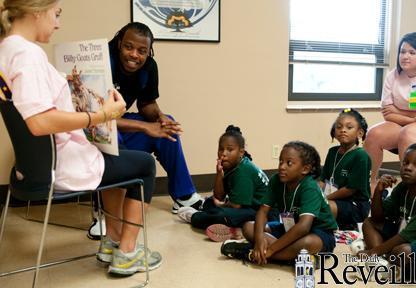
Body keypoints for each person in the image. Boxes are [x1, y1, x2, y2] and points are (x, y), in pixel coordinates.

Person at [0, 0, 162, 276]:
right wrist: (101, 116)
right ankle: (126, 253)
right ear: (37, 11)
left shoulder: (7, 50)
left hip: (31, 170)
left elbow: (36, 100)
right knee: (144, 165)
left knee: (115, 158)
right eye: (56, 13)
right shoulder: (29, 55)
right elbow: (40, 122)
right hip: (62, 166)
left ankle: (111, 242)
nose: (58, 23)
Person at [108, 22, 202, 213]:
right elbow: (98, 118)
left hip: (120, 126)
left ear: (149, 51)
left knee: (167, 126)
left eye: (142, 50)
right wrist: (144, 127)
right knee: (113, 134)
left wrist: (160, 117)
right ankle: (106, 213)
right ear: (119, 43)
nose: (134, 55)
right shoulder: (103, 60)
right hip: (94, 133)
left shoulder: (149, 67)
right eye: (129, 47)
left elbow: (146, 104)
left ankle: (184, 196)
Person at [220, 141, 337, 265]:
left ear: (305, 169)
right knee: (248, 227)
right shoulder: (276, 180)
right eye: (281, 161)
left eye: (289, 163)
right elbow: (262, 212)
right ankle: (295, 259)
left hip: (319, 232)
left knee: (307, 243)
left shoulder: (310, 187)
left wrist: (271, 249)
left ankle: (247, 252)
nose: (282, 166)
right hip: (289, 228)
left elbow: (303, 227)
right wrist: (259, 240)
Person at [364, 32, 416, 193]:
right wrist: (413, 117)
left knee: (407, 133)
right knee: (373, 134)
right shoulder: (393, 75)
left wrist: (399, 111)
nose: (405, 56)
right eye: (402, 52)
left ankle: (410, 190)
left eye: (412, 52)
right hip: (409, 124)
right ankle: (370, 187)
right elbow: (387, 113)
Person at [177, 125, 271, 242]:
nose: (223, 153)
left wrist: (220, 205)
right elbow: (219, 196)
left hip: (261, 213)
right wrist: (219, 174)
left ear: (241, 152)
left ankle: (194, 217)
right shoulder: (231, 164)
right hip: (245, 206)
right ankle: (235, 228)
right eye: (221, 149)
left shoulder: (243, 171)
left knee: (221, 215)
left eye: (229, 150)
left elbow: (236, 206)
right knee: (209, 202)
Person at [359, 143, 416, 274]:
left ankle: (382, 256)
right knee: (369, 223)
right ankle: (382, 261)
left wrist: (373, 251)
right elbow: (377, 218)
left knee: (403, 252)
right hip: (405, 235)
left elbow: (405, 236)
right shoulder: (403, 187)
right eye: (406, 163)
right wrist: (378, 191)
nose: (408, 168)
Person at [319, 108, 371, 230]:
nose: (343, 130)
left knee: (324, 208)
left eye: (349, 127)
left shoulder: (360, 155)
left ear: (360, 133)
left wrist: (324, 199)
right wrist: (315, 194)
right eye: (339, 127)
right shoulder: (332, 152)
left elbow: (350, 190)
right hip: (331, 198)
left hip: (355, 204)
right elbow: (323, 179)